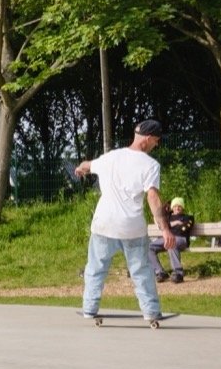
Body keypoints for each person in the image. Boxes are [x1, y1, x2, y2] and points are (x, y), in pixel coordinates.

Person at [73, 120, 175, 322]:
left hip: (104, 224)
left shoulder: (111, 157)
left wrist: (80, 168)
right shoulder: (151, 165)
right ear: (148, 139)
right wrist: (165, 229)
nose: (156, 145)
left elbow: (88, 165)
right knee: (141, 270)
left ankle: (89, 309)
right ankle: (151, 312)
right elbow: (153, 197)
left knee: (95, 268)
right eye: (156, 141)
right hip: (132, 228)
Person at [147, 196, 194, 283]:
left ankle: (178, 273)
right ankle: (160, 272)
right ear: (172, 208)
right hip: (167, 239)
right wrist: (175, 223)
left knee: (172, 243)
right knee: (149, 247)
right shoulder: (167, 218)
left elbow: (184, 228)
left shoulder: (188, 217)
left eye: (179, 206)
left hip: (181, 239)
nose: (177, 208)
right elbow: (160, 223)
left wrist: (169, 226)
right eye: (175, 206)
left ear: (183, 207)